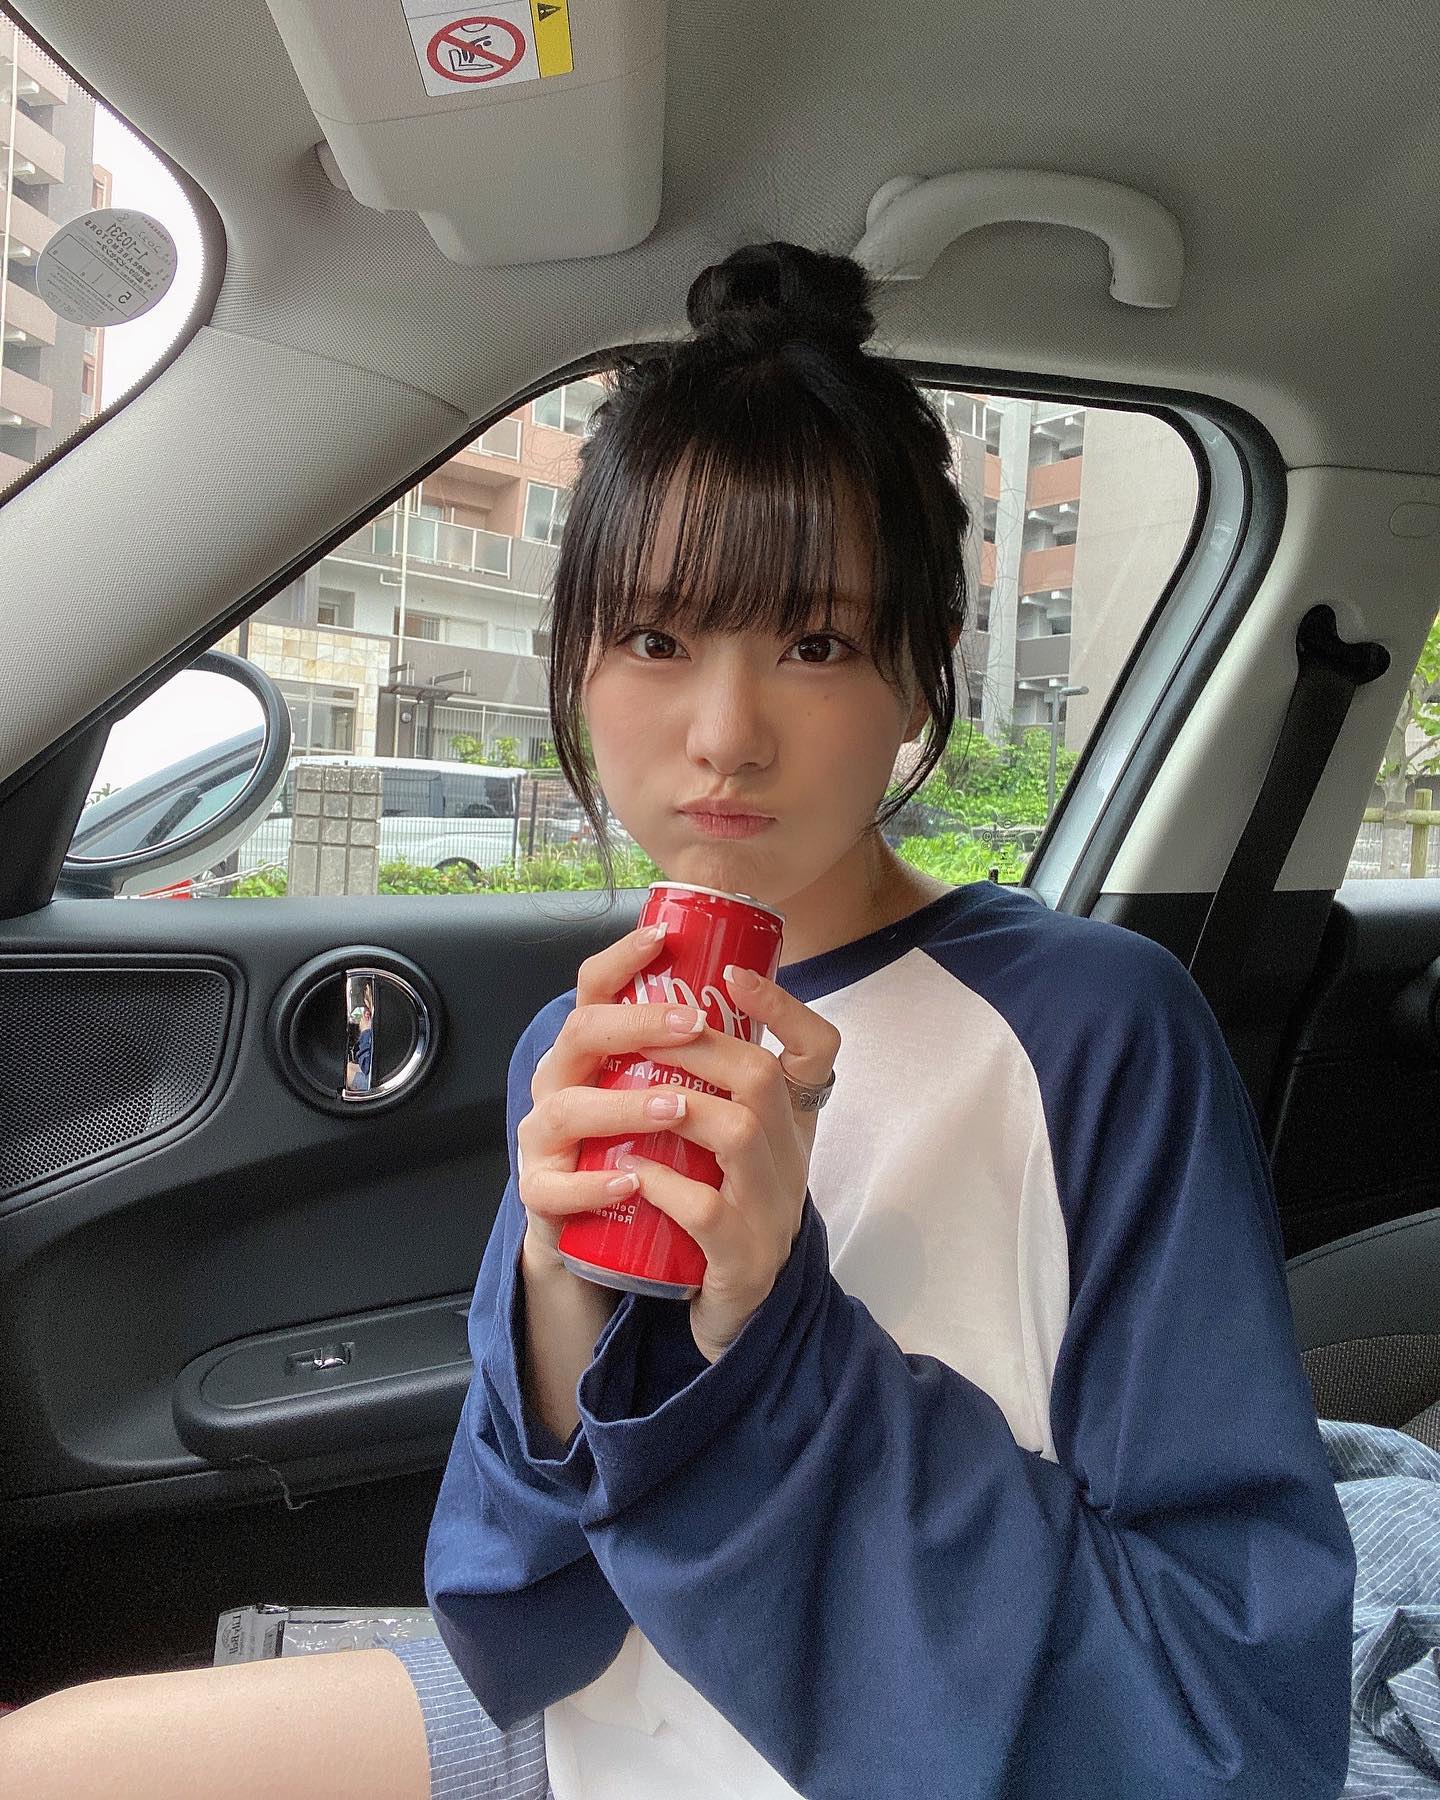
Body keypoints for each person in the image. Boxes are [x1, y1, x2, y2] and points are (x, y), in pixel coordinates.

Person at [0, 240, 1355, 1799]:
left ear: (919, 679)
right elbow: (530, 1611)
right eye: (655, 639)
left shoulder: (1097, 1033)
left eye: (816, 645)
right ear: (577, 666)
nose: (725, 735)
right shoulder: (579, 1044)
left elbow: (1235, 1719)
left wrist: (770, 1327)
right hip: (595, 1720)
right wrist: (557, 1293)